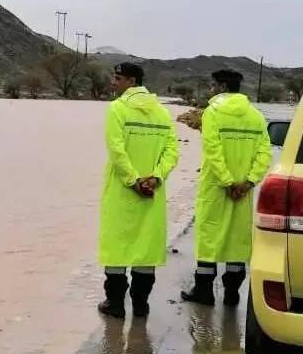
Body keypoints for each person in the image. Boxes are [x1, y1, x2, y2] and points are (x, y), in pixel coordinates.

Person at [181, 69, 272, 307]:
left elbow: (212, 150)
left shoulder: (213, 113)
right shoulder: (256, 117)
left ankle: (204, 292)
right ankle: (232, 294)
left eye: (213, 85)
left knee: (209, 238)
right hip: (243, 191)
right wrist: (249, 181)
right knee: (237, 241)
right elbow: (264, 153)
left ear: (221, 87)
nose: (211, 90)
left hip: (216, 188)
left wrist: (226, 181)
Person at [97, 62, 180, 319]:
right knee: (146, 249)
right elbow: (172, 151)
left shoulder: (118, 109)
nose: (113, 82)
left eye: (117, 78)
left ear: (131, 82)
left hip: (123, 192)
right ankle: (141, 306)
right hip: (152, 194)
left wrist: (133, 181)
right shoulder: (162, 113)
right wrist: (155, 177)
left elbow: (116, 150)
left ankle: (116, 305)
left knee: (117, 247)